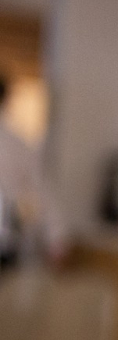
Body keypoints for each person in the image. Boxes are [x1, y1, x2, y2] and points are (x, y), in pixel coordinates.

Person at [0, 75, 63, 265]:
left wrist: (55, 237)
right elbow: (41, 189)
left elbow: (39, 189)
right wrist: (56, 238)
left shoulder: (16, 144)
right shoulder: (18, 144)